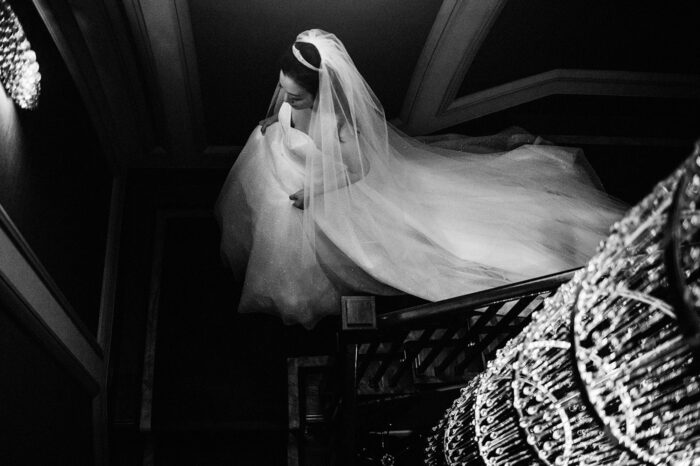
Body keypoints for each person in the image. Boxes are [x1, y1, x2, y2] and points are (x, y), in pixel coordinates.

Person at [215, 29, 625, 328]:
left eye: (296, 96)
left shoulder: (340, 127)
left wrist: (315, 193)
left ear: (320, 91)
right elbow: (285, 109)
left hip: (329, 185)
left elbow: (360, 170)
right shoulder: (291, 98)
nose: (287, 99)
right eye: (284, 91)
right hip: (290, 163)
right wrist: (277, 118)